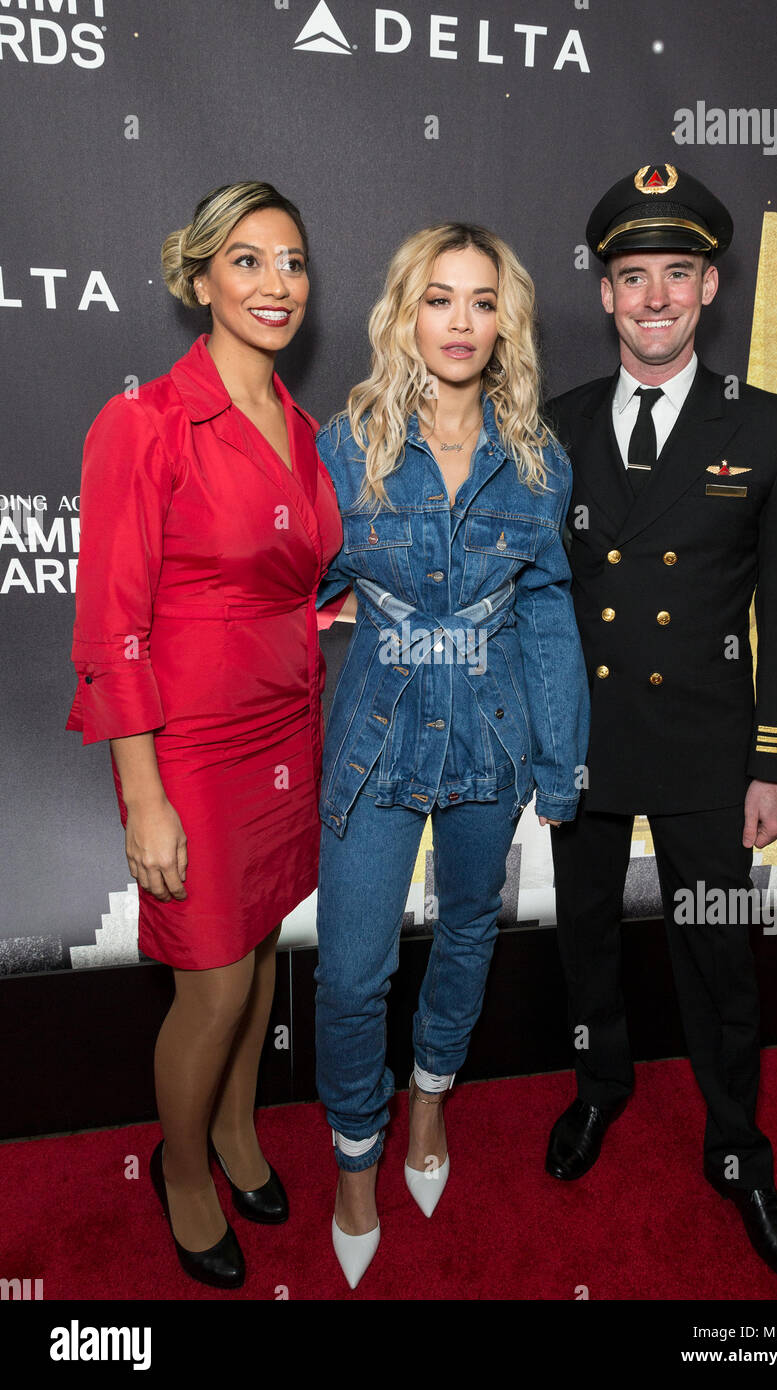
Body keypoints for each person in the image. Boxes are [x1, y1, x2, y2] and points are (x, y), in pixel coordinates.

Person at [544, 163, 777, 1288]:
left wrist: (774, 761)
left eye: (674, 274)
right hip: (586, 739)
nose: (651, 297)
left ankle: (735, 1148)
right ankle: (598, 1084)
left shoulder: (768, 428)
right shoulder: (550, 426)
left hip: (712, 752)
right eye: (629, 276)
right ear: (604, 293)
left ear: (708, 285)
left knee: (717, 954)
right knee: (583, 934)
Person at [65, 182, 343, 1289]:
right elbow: (109, 624)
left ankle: (236, 1133)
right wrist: (143, 797)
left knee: (264, 948)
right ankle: (181, 1170)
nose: (276, 285)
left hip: (286, 723)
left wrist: (331, 613)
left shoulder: (304, 425)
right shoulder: (143, 422)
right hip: (189, 744)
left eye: (292, 262)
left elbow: (287, 579)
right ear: (198, 281)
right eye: (247, 261)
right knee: (215, 984)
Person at [314, 222, 590, 1288]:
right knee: (350, 973)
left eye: (483, 301)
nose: (462, 321)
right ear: (404, 313)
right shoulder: (345, 445)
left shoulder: (537, 461)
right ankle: (354, 1159)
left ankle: (430, 1093)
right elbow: (287, 570)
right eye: (440, 298)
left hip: (489, 735)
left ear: (506, 322)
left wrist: (558, 760)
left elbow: (548, 615)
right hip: (376, 739)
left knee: (469, 926)